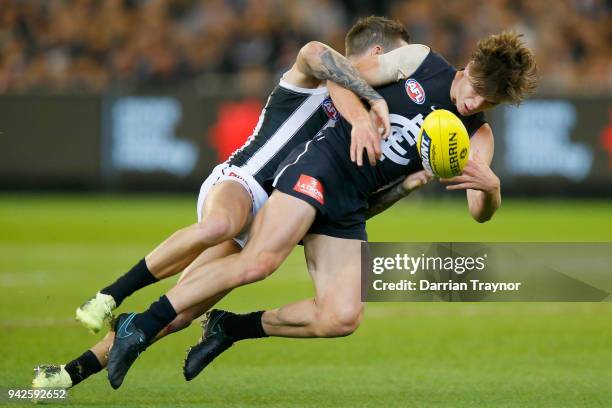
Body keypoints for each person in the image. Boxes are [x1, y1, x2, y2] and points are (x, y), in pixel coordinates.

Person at [105, 20, 538, 388]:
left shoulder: (477, 136)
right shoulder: (419, 63)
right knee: (259, 262)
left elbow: (478, 212)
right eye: (478, 90)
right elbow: (338, 76)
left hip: (351, 203)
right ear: (471, 66)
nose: (477, 103)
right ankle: (140, 324)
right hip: (322, 166)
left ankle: (231, 327)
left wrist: (492, 189)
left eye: (491, 102)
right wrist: (361, 120)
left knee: (341, 317)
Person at [32, 17, 418, 390]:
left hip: (266, 224)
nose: (404, 73)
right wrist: (366, 96)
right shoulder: (320, 77)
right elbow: (315, 50)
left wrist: (405, 185)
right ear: (378, 51)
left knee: (178, 313)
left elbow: (357, 202)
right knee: (219, 226)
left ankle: (65, 375)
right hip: (241, 183)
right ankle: (110, 294)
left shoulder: (369, 120)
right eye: (400, 60)